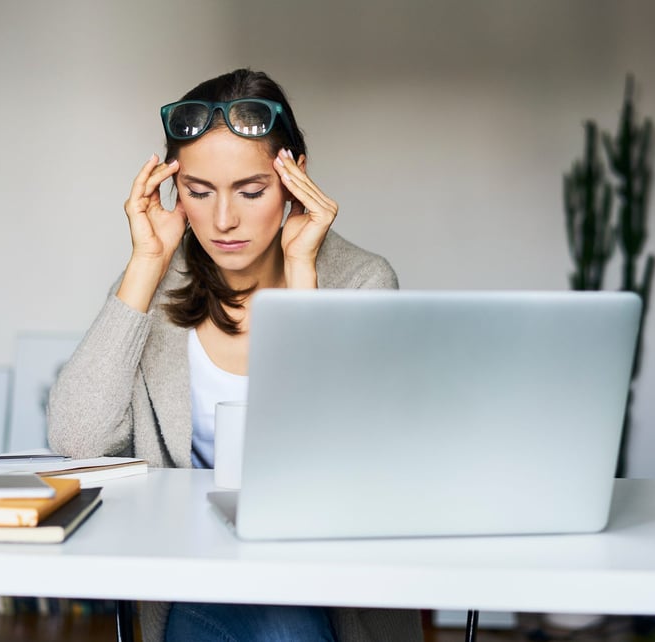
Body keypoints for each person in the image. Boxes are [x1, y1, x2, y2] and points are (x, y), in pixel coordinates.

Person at [47, 68, 421, 642]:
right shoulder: (155, 283)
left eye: (250, 192)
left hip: (323, 579)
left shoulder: (363, 282)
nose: (223, 221)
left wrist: (302, 277)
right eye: (199, 192)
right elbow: (77, 439)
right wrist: (145, 262)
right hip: (194, 578)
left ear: (294, 179)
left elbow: (342, 462)